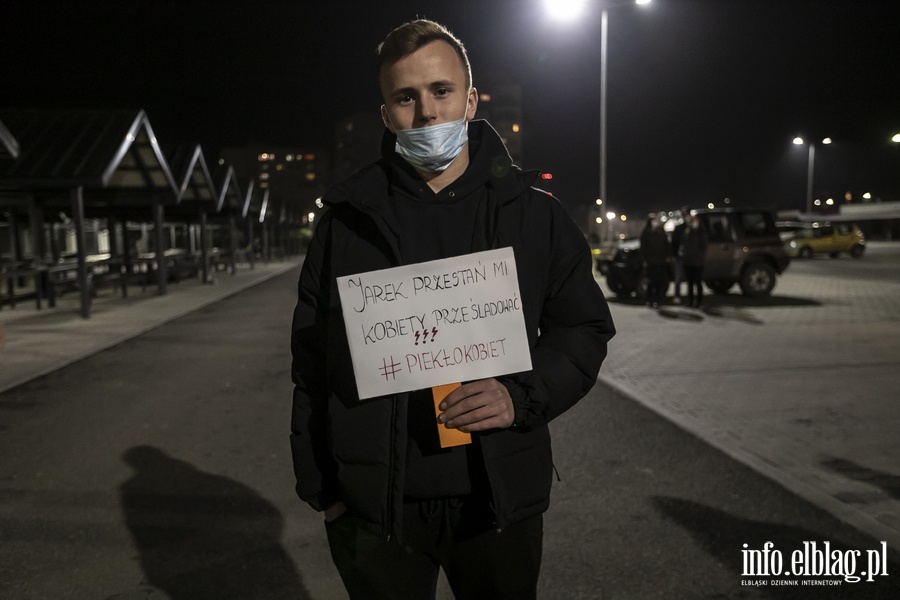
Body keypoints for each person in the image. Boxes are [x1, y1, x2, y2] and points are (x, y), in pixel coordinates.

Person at [290, 19, 616, 600]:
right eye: (405, 97)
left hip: (496, 501)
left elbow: (582, 328)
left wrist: (521, 396)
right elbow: (312, 360)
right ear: (387, 114)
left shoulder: (534, 216)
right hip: (375, 508)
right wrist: (326, 492)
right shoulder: (346, 222)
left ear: (469, 99)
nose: (427, 113)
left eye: (441, 91)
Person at [639, 213, 672, 308]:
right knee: (651, 282)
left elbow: (666, 244)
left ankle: (659, 299)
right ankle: (650, 300)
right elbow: (643, 248)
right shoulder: (646, 233)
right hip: (650, 261)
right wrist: (644, 260)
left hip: (660, 261)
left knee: (659, 282)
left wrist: (668, 256)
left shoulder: (661, 231)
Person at [679, 213, 708, 308]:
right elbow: (683, 245)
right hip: (688, 262)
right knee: (690, 284)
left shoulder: (702, 232)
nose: (695, 222)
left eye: (696, 220)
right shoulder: (687, 232)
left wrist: (700, 256)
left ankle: (699, 302)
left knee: (698, 283)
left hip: (698, 262)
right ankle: (690, 301)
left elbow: (704, 247)